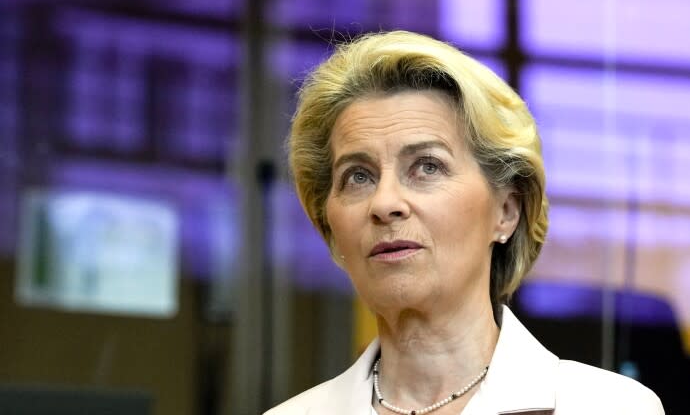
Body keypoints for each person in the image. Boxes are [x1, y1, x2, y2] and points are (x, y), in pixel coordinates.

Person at [265, 31, 664, 415]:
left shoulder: (609, 408)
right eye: (358, 176)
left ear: (507, 211)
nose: (384, 203)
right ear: (332, 228)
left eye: (427, 166)